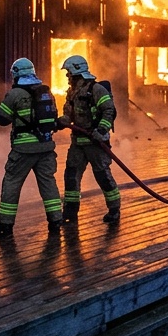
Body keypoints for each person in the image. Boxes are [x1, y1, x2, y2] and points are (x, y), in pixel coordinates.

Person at [0, 57, 63, 237]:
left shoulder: (14, 95)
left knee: (12, 183)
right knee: (48, 183)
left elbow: (2, 120)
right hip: (46, 146)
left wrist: (3, 112)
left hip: (24, 149)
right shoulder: (47, 93)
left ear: (16, 75)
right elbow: (54, 117)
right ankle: (55, 221)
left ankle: (5, 226)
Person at [57, 55, 122, 225]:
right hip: (78, 143)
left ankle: (114, 210)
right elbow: (68, 113)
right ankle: (70, 213)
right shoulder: (72, 92)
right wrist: (63, 120)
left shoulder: (96, 89)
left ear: (76, 71)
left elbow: (109, 110)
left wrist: (101, 130)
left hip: (95, 143)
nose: (67, 77)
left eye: (69, 73)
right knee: (71, 176)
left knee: (103, 177)